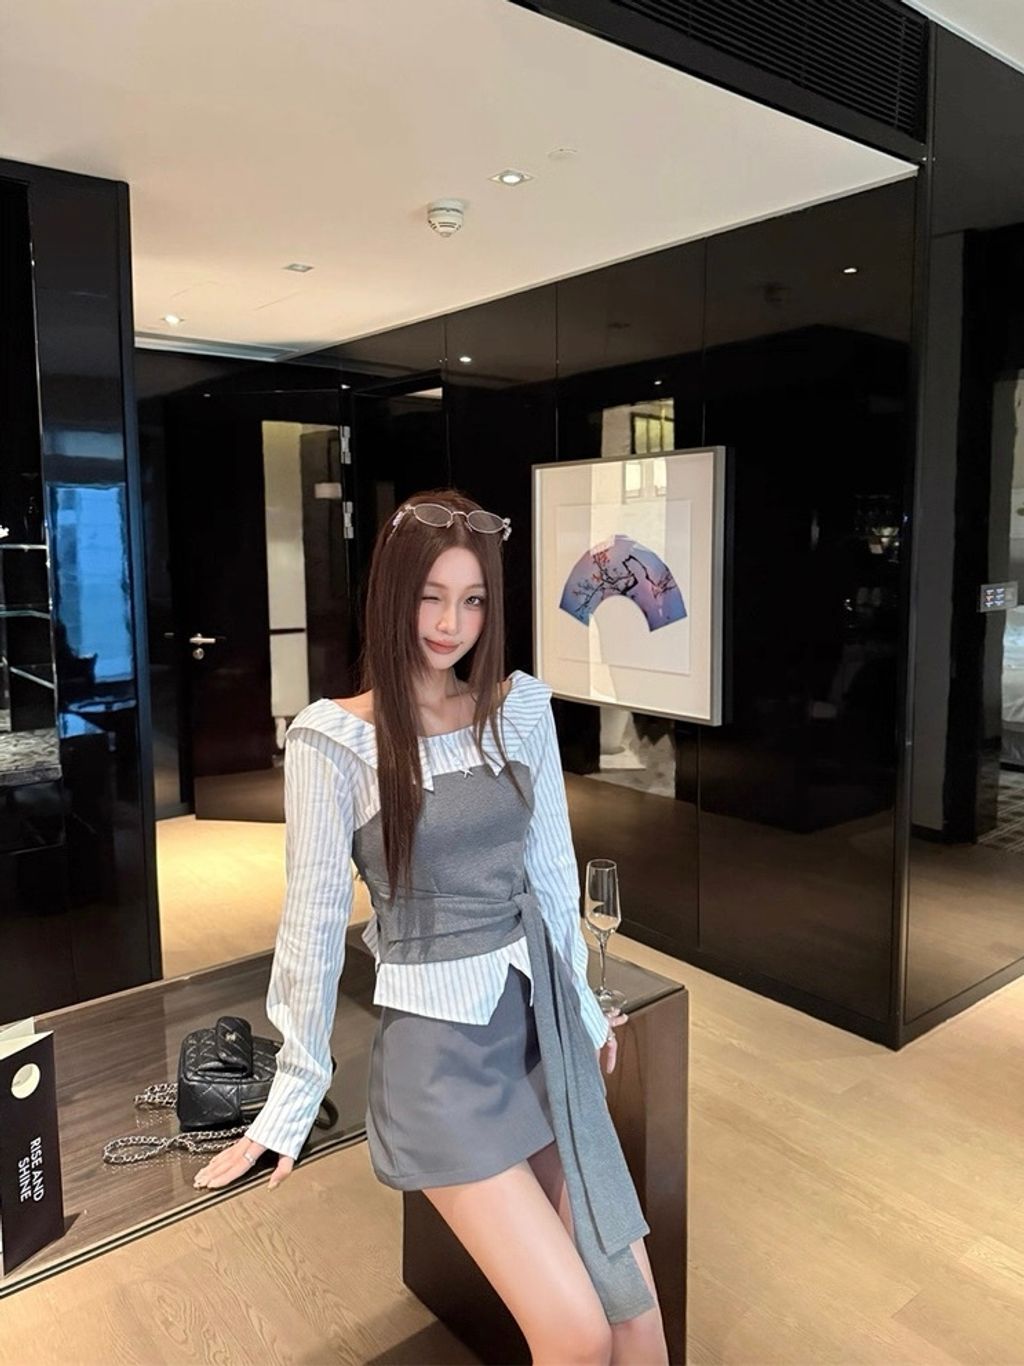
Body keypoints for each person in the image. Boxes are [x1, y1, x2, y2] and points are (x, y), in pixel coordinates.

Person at [193, 488, 668, 1365]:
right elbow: (311, 925)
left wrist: (581, 1007)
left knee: (635, 1316)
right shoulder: (334, 742)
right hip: (442, 1066)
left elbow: (550, 875)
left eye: (473, 599)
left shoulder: (520, 709)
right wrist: (292, 1098)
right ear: (391, 596)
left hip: (540, 1036)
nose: (453, 624)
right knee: (576, 1334)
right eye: (431, 597)